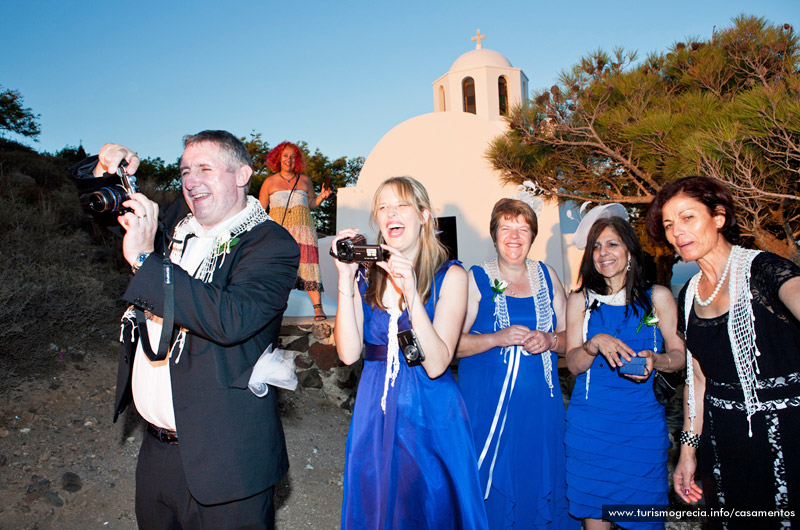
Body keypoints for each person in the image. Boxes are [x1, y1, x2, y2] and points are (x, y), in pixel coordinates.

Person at [70, 131, 300, 529]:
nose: (191, 180)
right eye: (185, 171)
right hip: (156, 452)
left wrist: (146, 259)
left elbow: (231, 319)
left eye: (205, 169)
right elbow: (116, 215)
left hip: (226, 459)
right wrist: (107, 171)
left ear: (242, 174)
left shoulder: (270, 243)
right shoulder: (177, 221)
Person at [332, 176, 488, 529]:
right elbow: (347, 353)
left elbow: (436, 364)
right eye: (383, 207)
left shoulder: (452, 276)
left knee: (431, 510)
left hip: (431, 413)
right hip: (376, 408)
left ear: (424, 216)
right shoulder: (364, 277)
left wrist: (412, 295)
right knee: (377, 507)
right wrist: (344, 278)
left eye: (401, 204)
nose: (391, 213)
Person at [646, 176, 800, 528]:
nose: (676, 232)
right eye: (669, 224)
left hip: (787, 438)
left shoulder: (765, 271)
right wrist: (687, 453)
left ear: (718, 217)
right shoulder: (688, 296)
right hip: (724, 445)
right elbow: (696, 382)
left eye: (687, 218)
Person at [456, 197, 577, 529]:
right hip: (489, 408)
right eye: (506, 228)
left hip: (540, 406)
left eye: (523, 229)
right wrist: (497, 337)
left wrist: (551, 340)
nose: (514, 236)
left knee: (538, 480)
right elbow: (451, 347)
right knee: (494, 492)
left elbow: (571, 340)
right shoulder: (474, 278)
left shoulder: (548, 275)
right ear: (494, 234)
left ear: (532, 236)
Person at [564, 210, 685, 530]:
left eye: (612, 244)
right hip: (590, 429)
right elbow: (574, 366)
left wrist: (656, 360)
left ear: (630, 251)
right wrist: (593, 344)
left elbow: (680, 355)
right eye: (596, 246)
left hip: (641, 429)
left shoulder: (657, 297)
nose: (604, 253)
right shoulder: (579, 301)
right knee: (595, 518)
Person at [259, 141, 332, 320]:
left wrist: (322, 196)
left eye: (293, 156)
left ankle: (317, 308)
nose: (289, 160)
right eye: (285, 156)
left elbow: (312, 204)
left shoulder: (305, 180)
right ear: (278, 158)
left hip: (304, 230)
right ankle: (272, 310)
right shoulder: (269, 182)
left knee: (309, 266)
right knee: (277, 270)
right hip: (279, 233)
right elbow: (260, 211)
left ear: (297, 160)